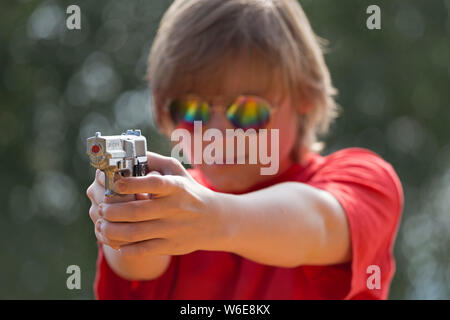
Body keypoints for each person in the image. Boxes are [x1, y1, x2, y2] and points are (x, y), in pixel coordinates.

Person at [86, 0, 403, 299]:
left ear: (305, 95)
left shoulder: (364, 180)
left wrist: (206, 218)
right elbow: (138, 262)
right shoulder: (174, 203)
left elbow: (318, 223)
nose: (217, 134)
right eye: (192, 110)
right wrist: (126, 216)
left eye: (248, 110)